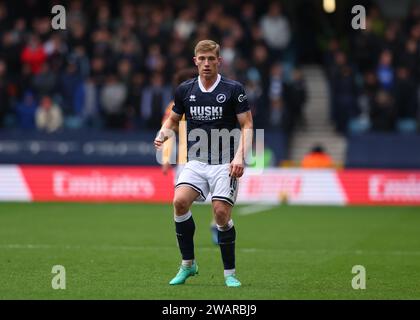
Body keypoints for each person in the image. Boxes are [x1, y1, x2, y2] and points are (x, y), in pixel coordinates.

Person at [154, 40, 253, 287]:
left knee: (220, 214)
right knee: (179, 202)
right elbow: (174, 119)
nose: (207, 63)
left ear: (219, 61)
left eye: (211, 59)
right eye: (202, 59)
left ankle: (230, 274)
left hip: (225, 162)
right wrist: (164, 132)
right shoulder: (185, 90)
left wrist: (240, 156)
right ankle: (188, 265)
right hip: (196, 161)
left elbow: (247, 125)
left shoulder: (233, 89)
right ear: (195, 61)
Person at [160, 68, 219, 245]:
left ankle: (216, 225)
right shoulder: (173, 106)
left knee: (218, 196)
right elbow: (167, 131)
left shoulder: (211, 100)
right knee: (181, 200)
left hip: (213, 156)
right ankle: (184, 233)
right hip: (186, 159)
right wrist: (165, 157)